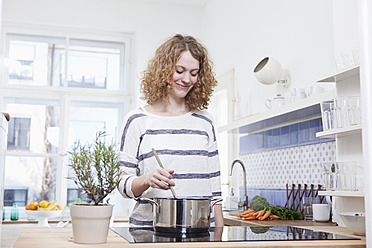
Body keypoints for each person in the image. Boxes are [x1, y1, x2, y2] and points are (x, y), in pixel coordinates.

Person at [117, 34, 224, 228]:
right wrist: (147, 179)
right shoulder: (137, 120)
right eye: (180, 70)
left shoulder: (204, 121)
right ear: (164, 70)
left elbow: (215, 189)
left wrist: (217, 234)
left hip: (199, 232)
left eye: (194, 73)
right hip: (149, 232)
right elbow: (123, 184)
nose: (186, 79)